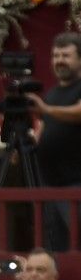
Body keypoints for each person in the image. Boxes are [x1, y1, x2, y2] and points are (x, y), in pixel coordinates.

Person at [30, 32, 81, 252]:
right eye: (55, 55)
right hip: (50, 186)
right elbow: (43, 128)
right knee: (55, 249)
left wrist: (47, 110)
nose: (59, 60)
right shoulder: (51, 94)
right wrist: (29, 142)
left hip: (76, 186)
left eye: (66, 55)